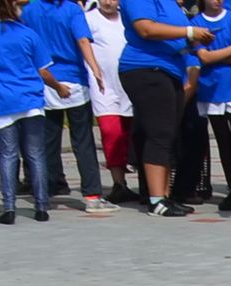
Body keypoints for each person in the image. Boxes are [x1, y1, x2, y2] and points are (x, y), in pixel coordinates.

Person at [119, 0, 207, 212]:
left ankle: (165, 196)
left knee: (168, 135)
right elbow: (146, 29)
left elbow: (172, 35)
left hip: (169, 69)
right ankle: (156, 200)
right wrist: (189, 31)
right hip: (147, 68)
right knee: (159, 133)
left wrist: (192, 41)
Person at [0, 0, 62, 217]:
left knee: (8, 155)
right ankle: (41, 206)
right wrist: (59, 87)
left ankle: (9, 207)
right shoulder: (28, 34)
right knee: (36, 153)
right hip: (30, 98)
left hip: (3, 100)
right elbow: (43, 70)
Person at [30, 0, 110, 207]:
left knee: (48, 141)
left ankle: (46, 191)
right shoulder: (71, 9)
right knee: (83, 140)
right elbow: (82, 40)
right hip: (74, 78)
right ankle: (92, 194)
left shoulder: (30, 10)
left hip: (46, 80)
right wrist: (95, 68)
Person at [182, 0, 231, 208]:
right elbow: (204, 57)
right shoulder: (196, 23)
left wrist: (215, 55)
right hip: (210, 89)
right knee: (223, 141)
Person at [87, 0, 133, 197]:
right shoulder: (89, 19)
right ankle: (118, 183)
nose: (107, 2)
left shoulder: (128, 18)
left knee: (131, 134)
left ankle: (146, 186)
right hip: (103, 86)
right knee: (111, 132)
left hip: (129, 84)